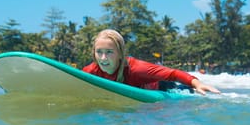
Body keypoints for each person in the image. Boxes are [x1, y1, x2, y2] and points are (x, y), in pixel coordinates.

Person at [82, 29, 220, 95]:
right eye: (99, 52)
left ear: (120, 54)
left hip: (162, 87)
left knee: (186, 92)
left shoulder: (136, 69)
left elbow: (172, 73)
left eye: (109, 52)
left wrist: (197, 83)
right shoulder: (90, 71)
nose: (103, 58)